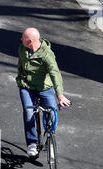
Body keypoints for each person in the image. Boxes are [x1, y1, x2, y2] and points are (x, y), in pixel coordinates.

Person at [16, 27, 71, 157]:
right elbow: (20, 65)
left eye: (23, 37)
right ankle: (32, 144)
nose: (20, 39)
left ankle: (50, 140)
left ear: (29, 41)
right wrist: (20, 80)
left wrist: (60, 95)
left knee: (51, 112)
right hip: (27, 87)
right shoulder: (22, 49)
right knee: (29, 112)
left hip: (44, 88)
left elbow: (55, 73)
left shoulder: (47, 54)